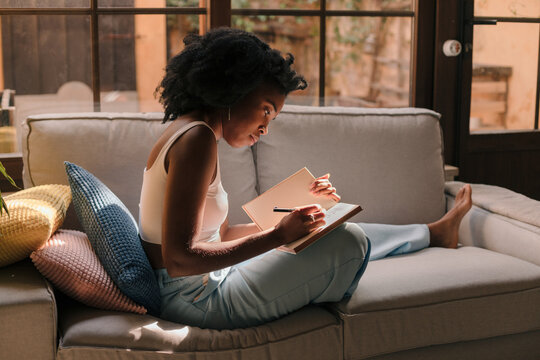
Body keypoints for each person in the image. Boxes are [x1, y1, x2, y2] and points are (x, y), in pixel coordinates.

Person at [138, 27, 473, 329]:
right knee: (348, 241)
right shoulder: (197, 139)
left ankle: (431, 234)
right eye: (266, 109)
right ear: (235, 90)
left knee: (327, 225)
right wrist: (276, 237)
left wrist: (295, 215)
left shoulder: (195, 131)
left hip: (203, 282)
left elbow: (219, 235)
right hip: (196, 300)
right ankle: (428, 235)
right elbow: (180, 260)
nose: (266, 127)